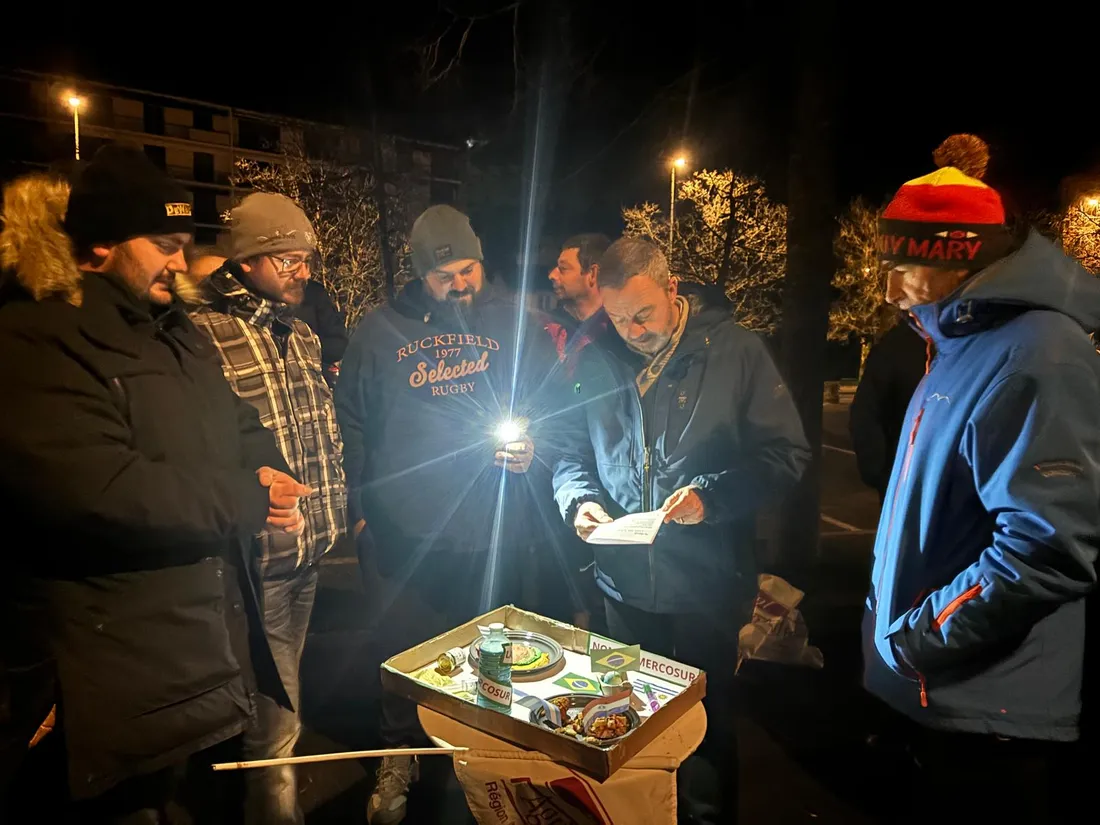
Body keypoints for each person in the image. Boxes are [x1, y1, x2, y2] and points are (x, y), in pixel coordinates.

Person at [0, 146, 309, 823]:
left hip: (205, 654)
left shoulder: (178, 332)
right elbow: (103, 490)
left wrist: (268, 467)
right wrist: (250, 499)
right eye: (163, 244)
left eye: (184, 243)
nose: (179, 260)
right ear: (101, 245)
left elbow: (240, 419)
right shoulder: (36, 335)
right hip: (122, 675)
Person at [862, 134, 1100, 824]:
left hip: (988, 713)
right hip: (942, 697)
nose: (888, 289)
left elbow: (1047, 547)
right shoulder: (963, 344)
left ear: (957, 256)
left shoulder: (1038, 353)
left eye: (903, 266)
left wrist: (916, 639)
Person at [552, 236, 810, 824]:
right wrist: (580, 502)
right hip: (623, 582)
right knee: (630, 723)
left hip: (707, 582)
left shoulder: (737, 351)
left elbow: (784, 455)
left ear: (673, 289)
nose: (632, 331)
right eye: (616, 318)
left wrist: (711, 498)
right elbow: (567, 449)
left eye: (642, 314)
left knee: (704, 727)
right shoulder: (594, 356)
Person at [336, 205, 557, 824]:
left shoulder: (519, 325)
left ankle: (491, 766)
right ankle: (400, 757)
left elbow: (555, 405)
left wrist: (535, 449)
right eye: (444, 277)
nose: (459, 284)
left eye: (466, 269)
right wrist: (360, 512)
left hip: (494, 531)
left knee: (496, 662)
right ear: (418, 275)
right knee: (403, 659)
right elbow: (350, 423)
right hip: (403, 534)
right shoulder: (379, 331)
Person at [187, 192, 347, 825]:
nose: (301, 271)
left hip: (307, 550)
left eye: (305, 258)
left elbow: (320, 430)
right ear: (247, 260)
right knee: (276, 718)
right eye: (287, 259)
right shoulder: (203, 334)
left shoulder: (300, 333)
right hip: (253, 557)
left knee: (275, 702)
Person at [538, 233, 614, 632]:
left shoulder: (620, 335)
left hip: (609, 473)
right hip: (563, 470)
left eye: (563, 267)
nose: (552, 274)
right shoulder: (552, 331)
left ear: (593, 274)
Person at [849, 317, 927, 500]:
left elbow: (865, 413)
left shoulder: (894, 346)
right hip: (902, 473)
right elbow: (866, 415)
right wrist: (880, 472)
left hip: (903, 473)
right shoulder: (896, 348)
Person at [296, 279, 349, 388]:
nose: (304, 273)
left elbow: (337, 344)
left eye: (306, 264)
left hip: (313, 378)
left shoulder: (313, 293)